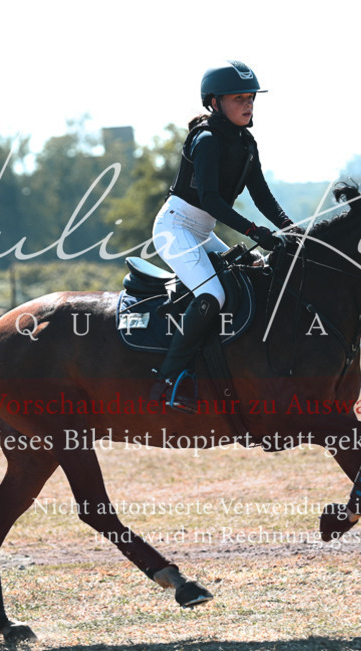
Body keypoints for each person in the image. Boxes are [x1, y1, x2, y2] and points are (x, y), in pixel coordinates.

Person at [150, 60, 295, 412]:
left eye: (251, 98)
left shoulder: (246, 143)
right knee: (212, 293)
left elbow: (262, 196)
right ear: (215, 103)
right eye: (238, 98)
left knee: (257, 270)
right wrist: (254, 231)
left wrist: (290, 228)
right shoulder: (207, 141)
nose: (248, 104)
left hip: (202, 230)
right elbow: (211, 200)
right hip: (174, 229)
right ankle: (167, 380)